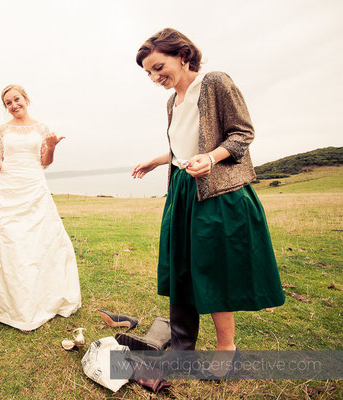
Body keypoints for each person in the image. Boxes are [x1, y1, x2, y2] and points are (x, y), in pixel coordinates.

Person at [132, 28, 285, 361]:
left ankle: (225, 349)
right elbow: (184, 147)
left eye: (158, 67)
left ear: (183, 55)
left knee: (215, 269)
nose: (155, 76)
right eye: (149, 73)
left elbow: (242, 134)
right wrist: (158, 161)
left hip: (217, 191)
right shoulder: (172, 101)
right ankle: (183, 347)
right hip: (183, 189)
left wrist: (212, 159)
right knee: (182, 267)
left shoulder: (215, 83)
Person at [0, 84, 81, 331]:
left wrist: (52, 146)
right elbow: (0, 162)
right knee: (9, 242)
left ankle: (40, 299)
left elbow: (44, 162)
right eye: (8, 103)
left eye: (16, 99)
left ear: (26, 99)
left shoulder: (42, 128)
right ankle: (7, 303)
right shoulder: (1, 130)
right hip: (6, 188)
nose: (13, 105)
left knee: (38, 242)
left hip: (34, 186)